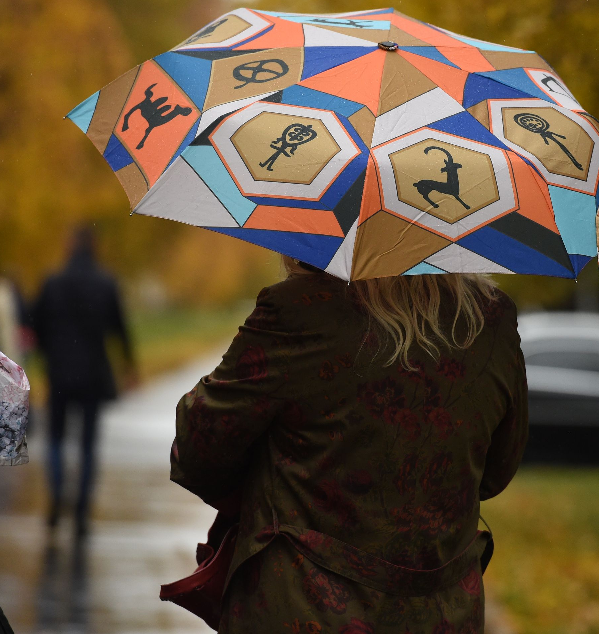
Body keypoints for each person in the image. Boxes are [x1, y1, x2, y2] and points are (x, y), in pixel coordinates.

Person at [170, 258, 528, 634]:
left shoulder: (301, 309)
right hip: (444, 615)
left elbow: (200, 449)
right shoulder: (490, 318)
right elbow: (497, 469)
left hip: (302, 608)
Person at [32, 226, 136, 537]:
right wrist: (129, 366)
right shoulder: (106, 283)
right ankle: (81, 512)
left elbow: (36, 326)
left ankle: (56, 495)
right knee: (88, 444)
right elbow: (120, 328)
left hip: (60, 372)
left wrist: (49, 355)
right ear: (94, 248)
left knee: (55, 439)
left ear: (70, 247)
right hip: (93, 374)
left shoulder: (52, 282)